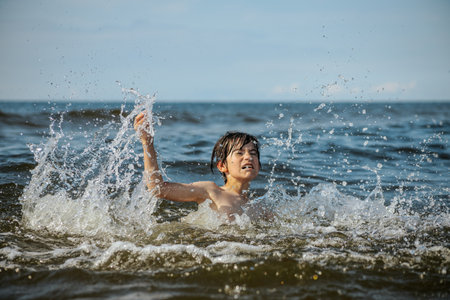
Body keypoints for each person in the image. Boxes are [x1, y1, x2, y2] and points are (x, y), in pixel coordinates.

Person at [134, 112, 263, 219]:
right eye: (239, 153)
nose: (248, 157)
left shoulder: (260, 208)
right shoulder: (210, 191)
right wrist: (147, 142)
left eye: (253, 153)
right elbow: (158, 189)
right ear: (222, 166)